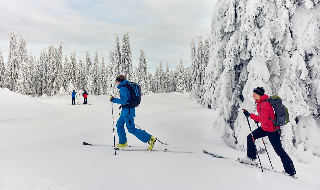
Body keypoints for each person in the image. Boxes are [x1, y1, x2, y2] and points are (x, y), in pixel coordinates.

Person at [241, 87, 296, 176]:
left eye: (254, 94)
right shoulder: (261, 103)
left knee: (279, 150)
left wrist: (250, 115)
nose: (253, 96)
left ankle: (290, 171)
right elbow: (264, 117)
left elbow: (264, 119)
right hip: (265, 128)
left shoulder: (265, 104)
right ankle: (251, 158)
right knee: (250, 137)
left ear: (259, 95)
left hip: (272, 130)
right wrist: (256, 118)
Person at [110, 75, 157, 150]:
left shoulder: (123, 88)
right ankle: (123, 142)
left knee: (131, 129)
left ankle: (150, 139)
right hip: (125, 111)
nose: (116, 83)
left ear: (119, 81)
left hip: (128, 111)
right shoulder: (126, 86)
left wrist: (113, 100)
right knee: (119, 125)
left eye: (116, 81)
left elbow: (124, 101)